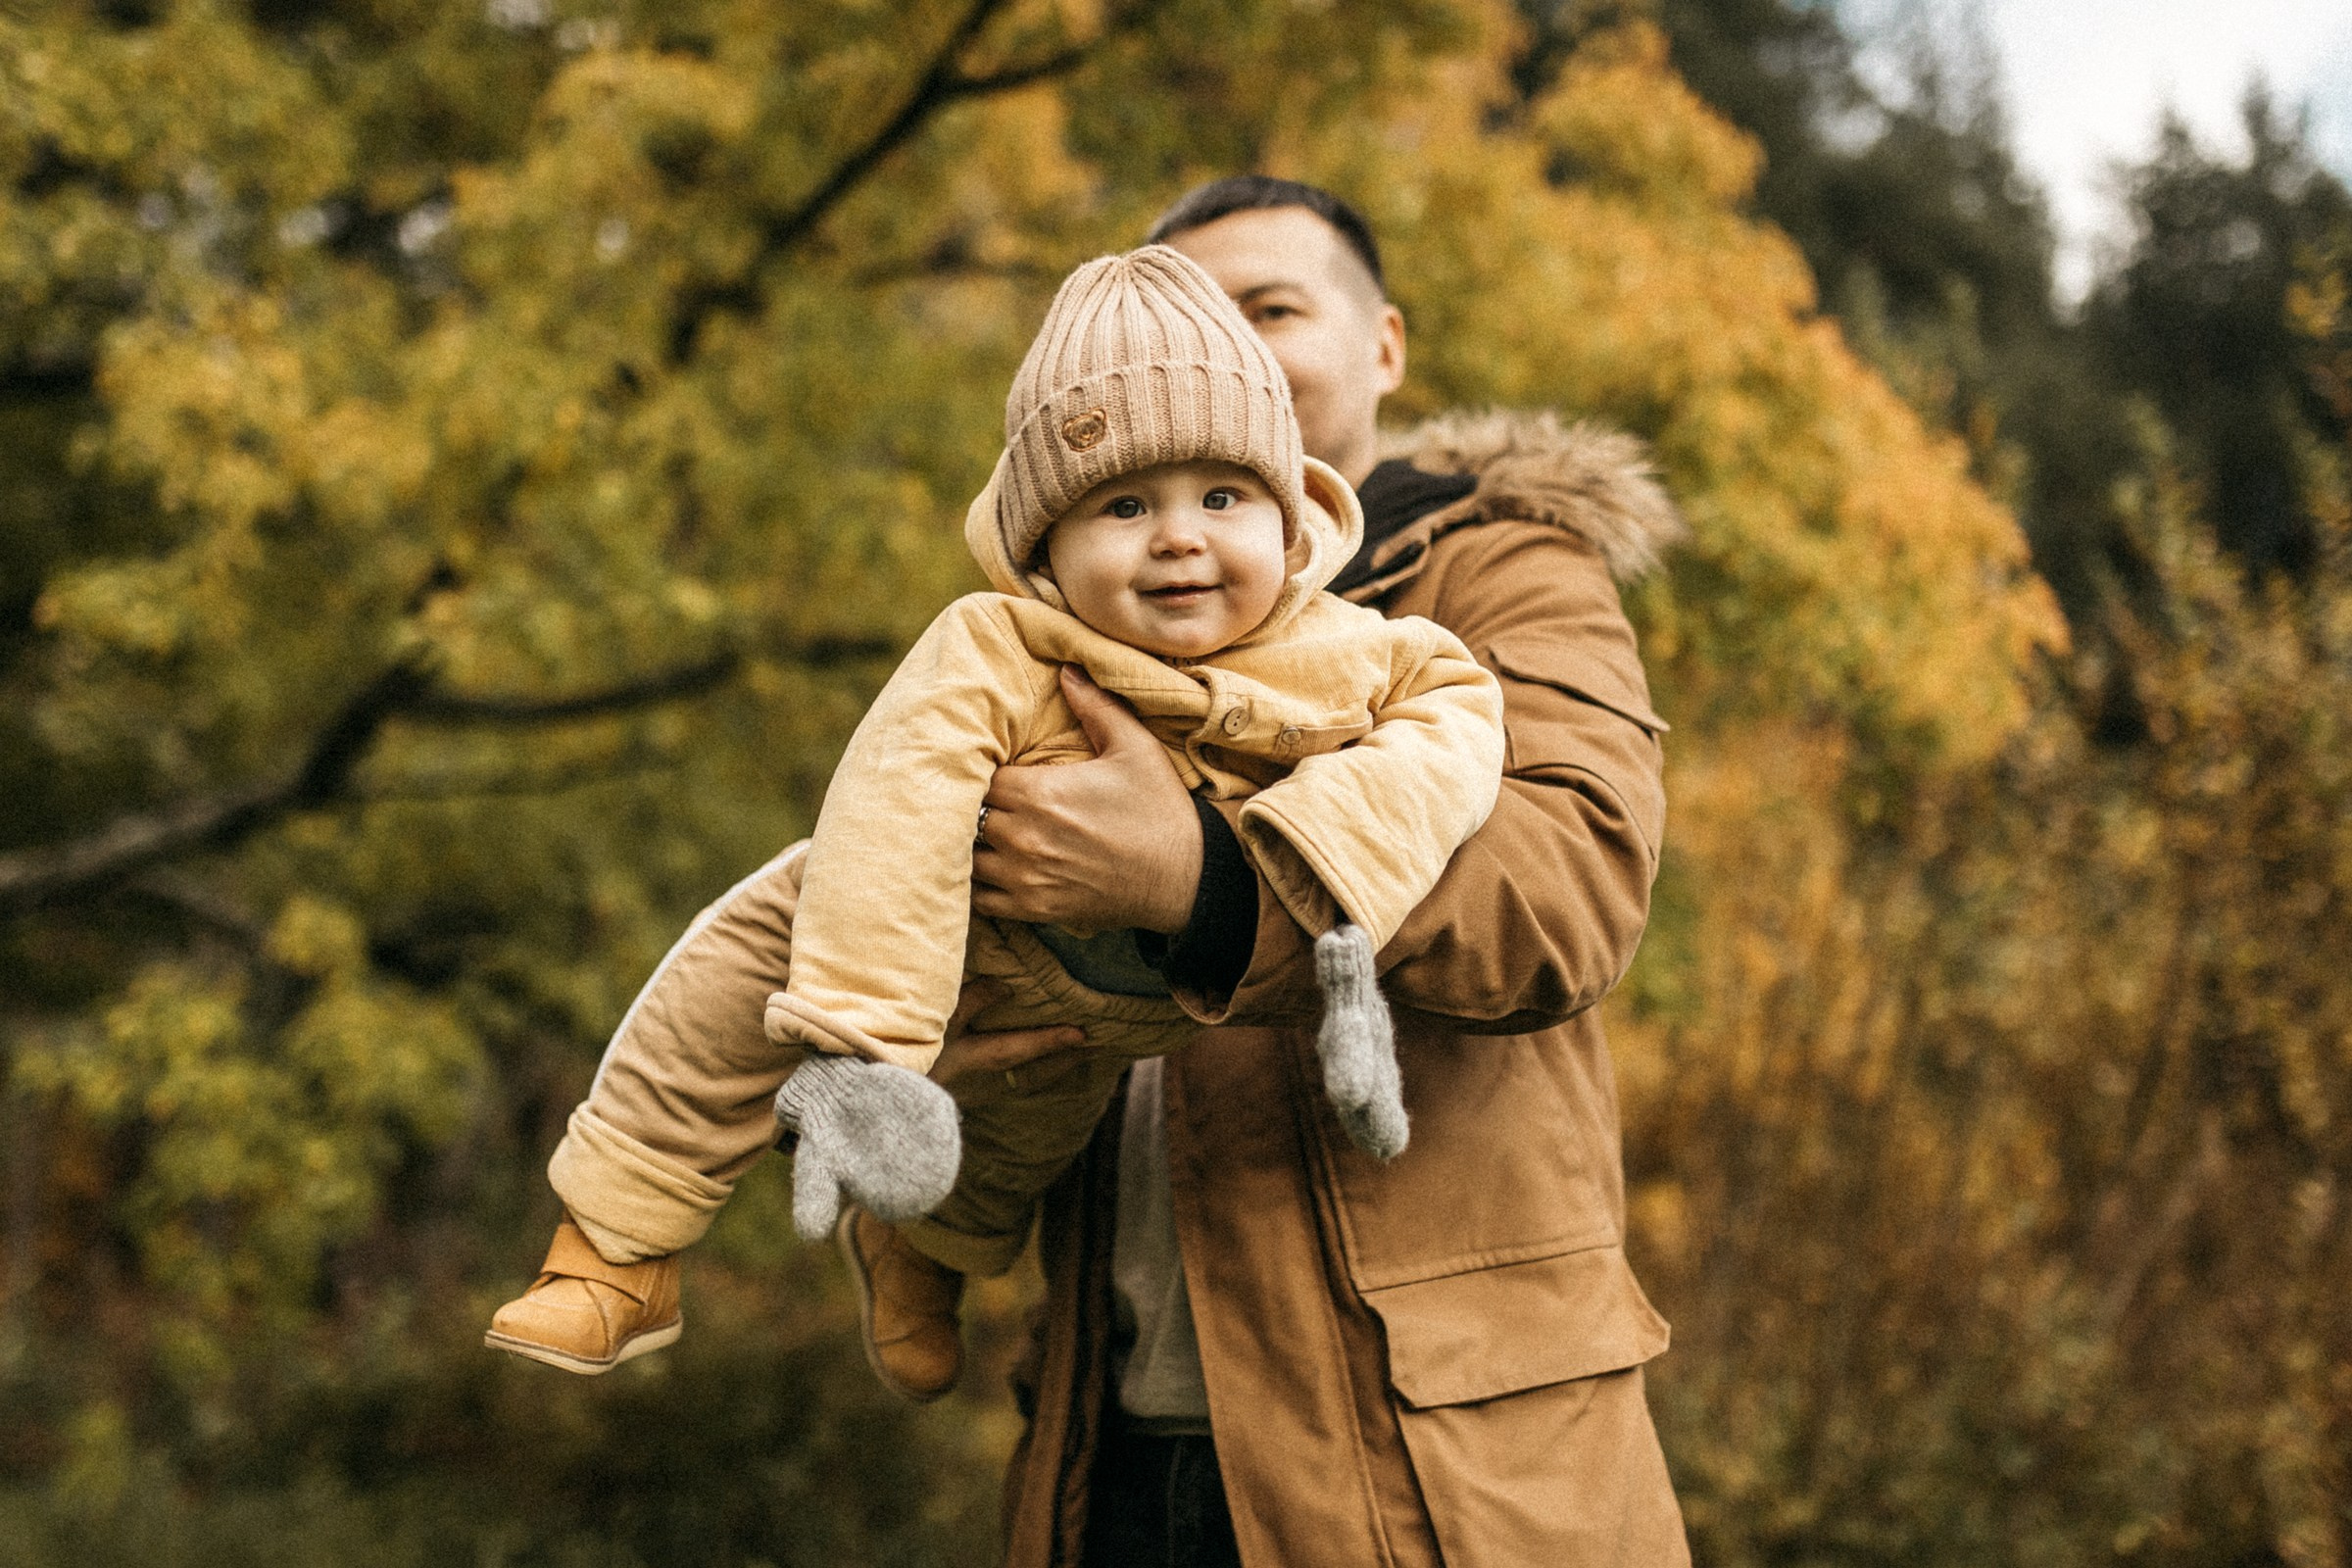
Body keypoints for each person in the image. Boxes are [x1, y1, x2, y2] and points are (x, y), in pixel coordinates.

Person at [483, 243, 1506, 1378]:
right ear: (1045, 549)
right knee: (725, 991)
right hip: (934, 926)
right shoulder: (1001, 644)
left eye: (1222, 497)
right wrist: (871, 1033)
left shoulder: (1356, 653)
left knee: (1027, 1124)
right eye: (1123, 504)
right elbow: (899, 789)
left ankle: (924, 1254)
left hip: (1128, 991)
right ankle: (616, 1248)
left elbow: (1458, 716)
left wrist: (1319, 848)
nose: (1177, 535)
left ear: (1289, 518)